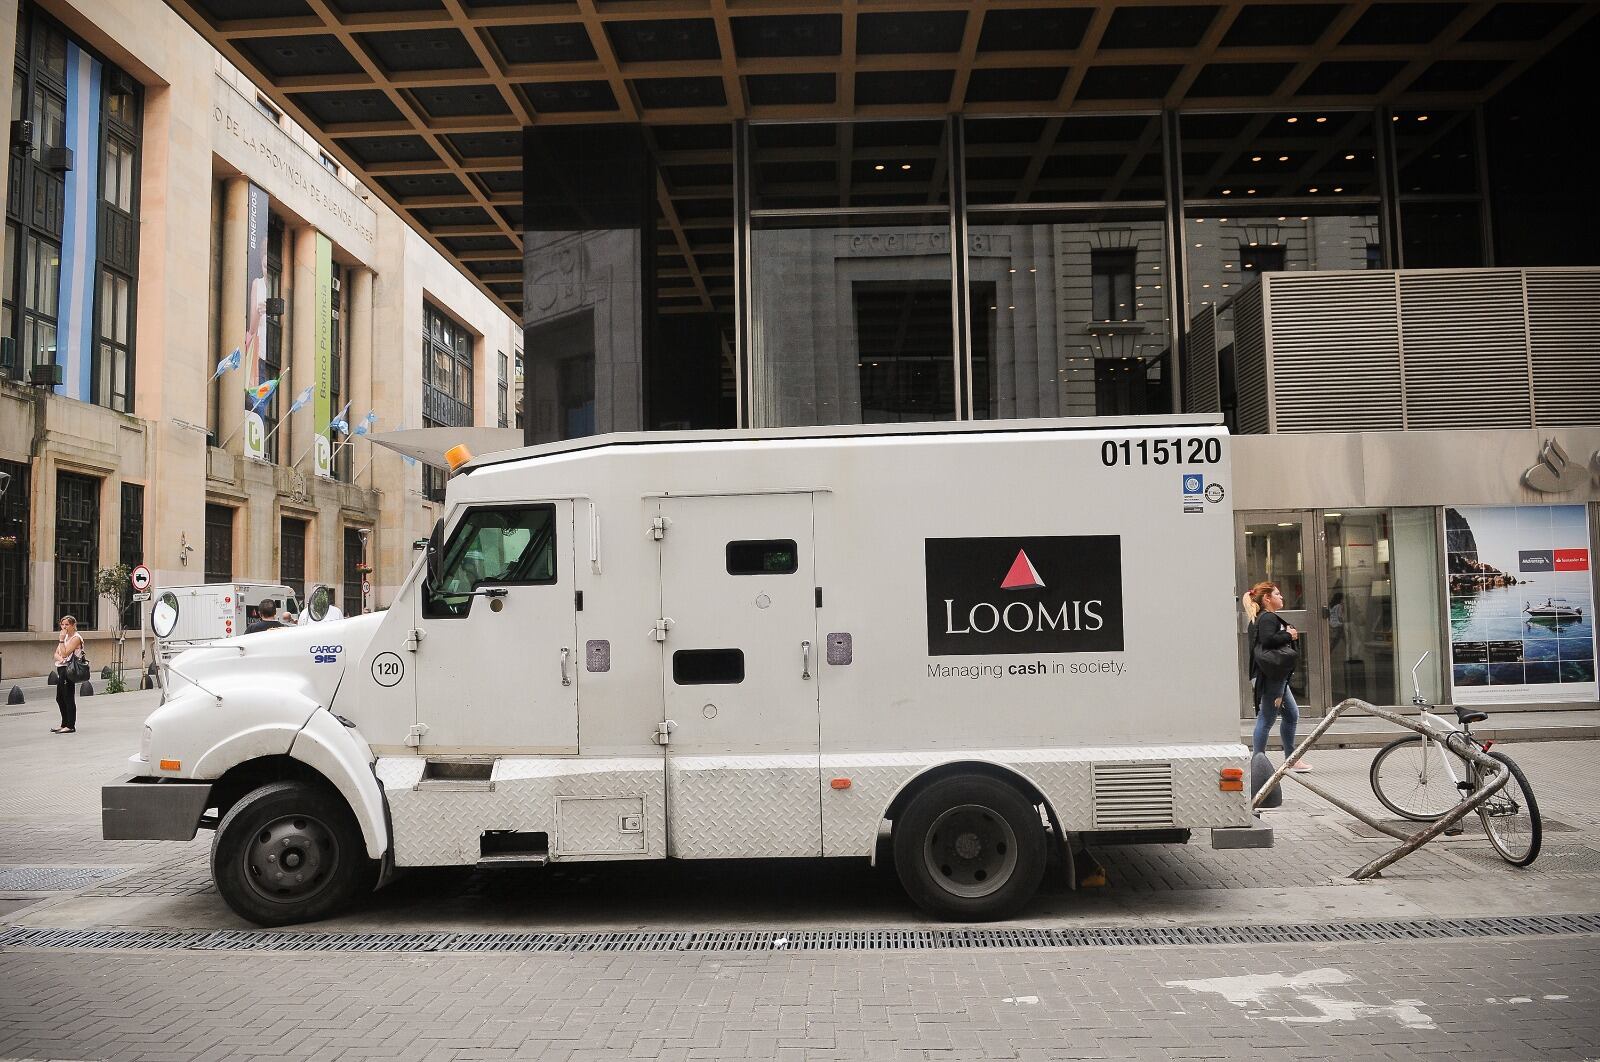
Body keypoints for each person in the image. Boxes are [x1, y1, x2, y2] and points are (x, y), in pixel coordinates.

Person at [1243, 581, 1310, 772]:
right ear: (1267, 598)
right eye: (1277, 594)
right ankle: (1259, 762)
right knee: (1266, 718)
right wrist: (1289, 635)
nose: (1281, 597)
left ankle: (1291, 759)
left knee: (1291, 714)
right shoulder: (1268, 618)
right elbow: (1268, 641)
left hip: (1269, 675)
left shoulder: (1260, 618)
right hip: (1270, 677)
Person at [51, 615, 84, 734]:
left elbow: (64, 653)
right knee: (60, 698)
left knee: (68, 697)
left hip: (69, 670)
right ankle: (64, 723)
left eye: (67, 624)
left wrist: (61, 640)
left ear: (73, 625)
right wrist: (61, 658)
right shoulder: (65, 637)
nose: (64, 627)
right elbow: (56, 654)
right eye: (62, 624)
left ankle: (70, 725)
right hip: (62, 668)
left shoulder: (75, 638)